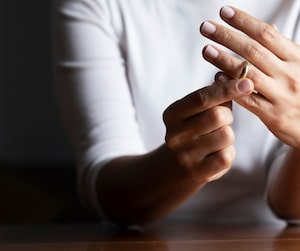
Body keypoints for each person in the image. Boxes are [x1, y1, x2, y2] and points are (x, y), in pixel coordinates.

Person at [53, 0, 300, 227]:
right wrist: (179, 167)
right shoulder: (100, 5)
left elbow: (289, 209)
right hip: (141, 241)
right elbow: (106, 192)